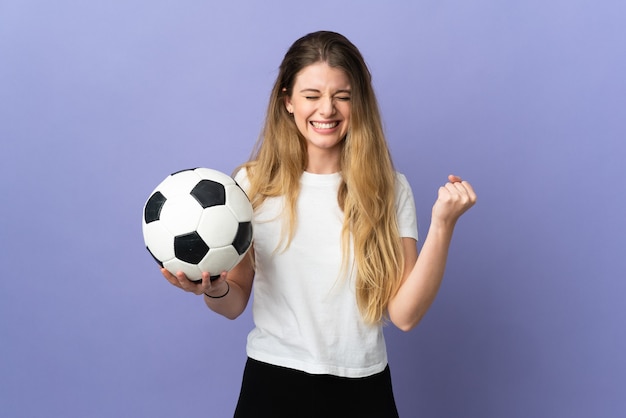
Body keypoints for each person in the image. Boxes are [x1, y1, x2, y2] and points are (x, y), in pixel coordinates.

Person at [162, 30, 476, 417]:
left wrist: (442, 226)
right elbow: (234, 302)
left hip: (363, 389)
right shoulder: (250, 186)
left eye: (342, 96)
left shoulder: (389, 189)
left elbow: (405, 315)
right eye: (311, 96)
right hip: (272, 384)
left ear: (358, 103)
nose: (326, 110)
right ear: (288, 102)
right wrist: (211, 289)